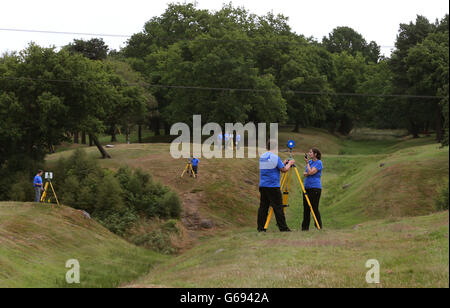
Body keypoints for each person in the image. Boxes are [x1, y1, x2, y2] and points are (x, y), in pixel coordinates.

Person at [257, 140, 295, 232]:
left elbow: (273, 166)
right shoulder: (275, 157)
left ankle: (261, 228)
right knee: (278, 207)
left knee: (263, 207)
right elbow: (284, 170)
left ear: (267, 147)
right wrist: (289, 164)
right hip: (273, 186)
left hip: (263, 185)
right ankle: (283, 228)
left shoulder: (262, 157)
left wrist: (282, 162)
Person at [302, 148, 323, 230]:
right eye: (309, 152)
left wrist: (307, 165)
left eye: (311, 152)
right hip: (307, 187)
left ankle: (318, 226)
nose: (309, 153)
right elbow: (306, 173)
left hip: (315, 188)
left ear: (315, 154)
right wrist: (307, 172)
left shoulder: (319, 163)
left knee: (314, 207)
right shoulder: (310, 162)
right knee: (306, 208)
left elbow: (310, 172)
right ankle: (305, 228)